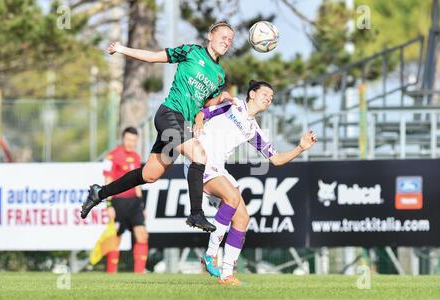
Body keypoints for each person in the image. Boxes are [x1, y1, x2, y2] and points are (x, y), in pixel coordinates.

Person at [80, 21, 235, 232]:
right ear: (210, 35)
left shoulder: (219, 75)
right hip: (169, 114)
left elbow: (204, 104)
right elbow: (153, 57)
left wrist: (221, 98)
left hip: (181, 122)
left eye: (230, 39)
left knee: (150, 175)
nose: (227, 41)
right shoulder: (191, 51)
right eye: (223, 36)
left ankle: (100, 192)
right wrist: (121, 49)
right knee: (199, 156)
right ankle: (196, 213)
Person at [187, 80, 317, 285]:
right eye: (265, 93)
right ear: (252, 94)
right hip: (199, 160)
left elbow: (276, 160)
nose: (269, 98)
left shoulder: (252, 129)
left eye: (272, 97)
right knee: (232, 196)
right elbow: (203, 111)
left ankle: (227, 275)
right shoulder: (233, 105)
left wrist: (300, 148)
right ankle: (211, 255)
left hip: (218, 168)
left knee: (242, 219)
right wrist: (200, 119)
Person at [103, 127, 148, 274]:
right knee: (115, 239)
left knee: (142, 235)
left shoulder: (136, 157)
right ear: (122, 139)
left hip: (134, 203)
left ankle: (139, 275)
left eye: (134, 140)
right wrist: (109, 204)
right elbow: (108, 180)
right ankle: (111, 274)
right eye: (128, 139)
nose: (131, 143)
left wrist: (142, 206)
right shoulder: (112, 156)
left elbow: (137, 184)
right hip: (118, 202)